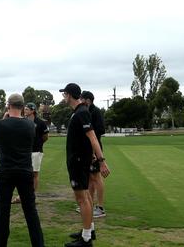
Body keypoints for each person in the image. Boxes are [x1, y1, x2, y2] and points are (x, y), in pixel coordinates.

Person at [0, 94, 45, 247]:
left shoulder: (0, 124)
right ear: (22, 107)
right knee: (30, 212)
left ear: (8, 106)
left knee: (2, 212)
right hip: (25, 171)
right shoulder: (29, 125)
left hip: (5, 171)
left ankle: (0, 244)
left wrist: (3, 119)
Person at [60, 83, 110, 247]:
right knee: (86, 196)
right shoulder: (79, 112)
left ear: (69, 95)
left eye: (64, 94)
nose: (63, 97)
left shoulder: (82, 113)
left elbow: (93, 137)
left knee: (82, 198)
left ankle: (86, 239)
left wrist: (101, 161)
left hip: (79, 162)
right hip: (79, 160)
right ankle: (89, 231)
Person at [80, 91, 106, 218]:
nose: (80, 101)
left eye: (82, 99)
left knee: (96, 177)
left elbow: (101, 130)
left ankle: (100, 208)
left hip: (95, 148)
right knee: (90, 177)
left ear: (88, 100)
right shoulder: (85, 111)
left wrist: (94, 149)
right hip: (87, 148)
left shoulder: (95, 112)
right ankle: (89, 204)